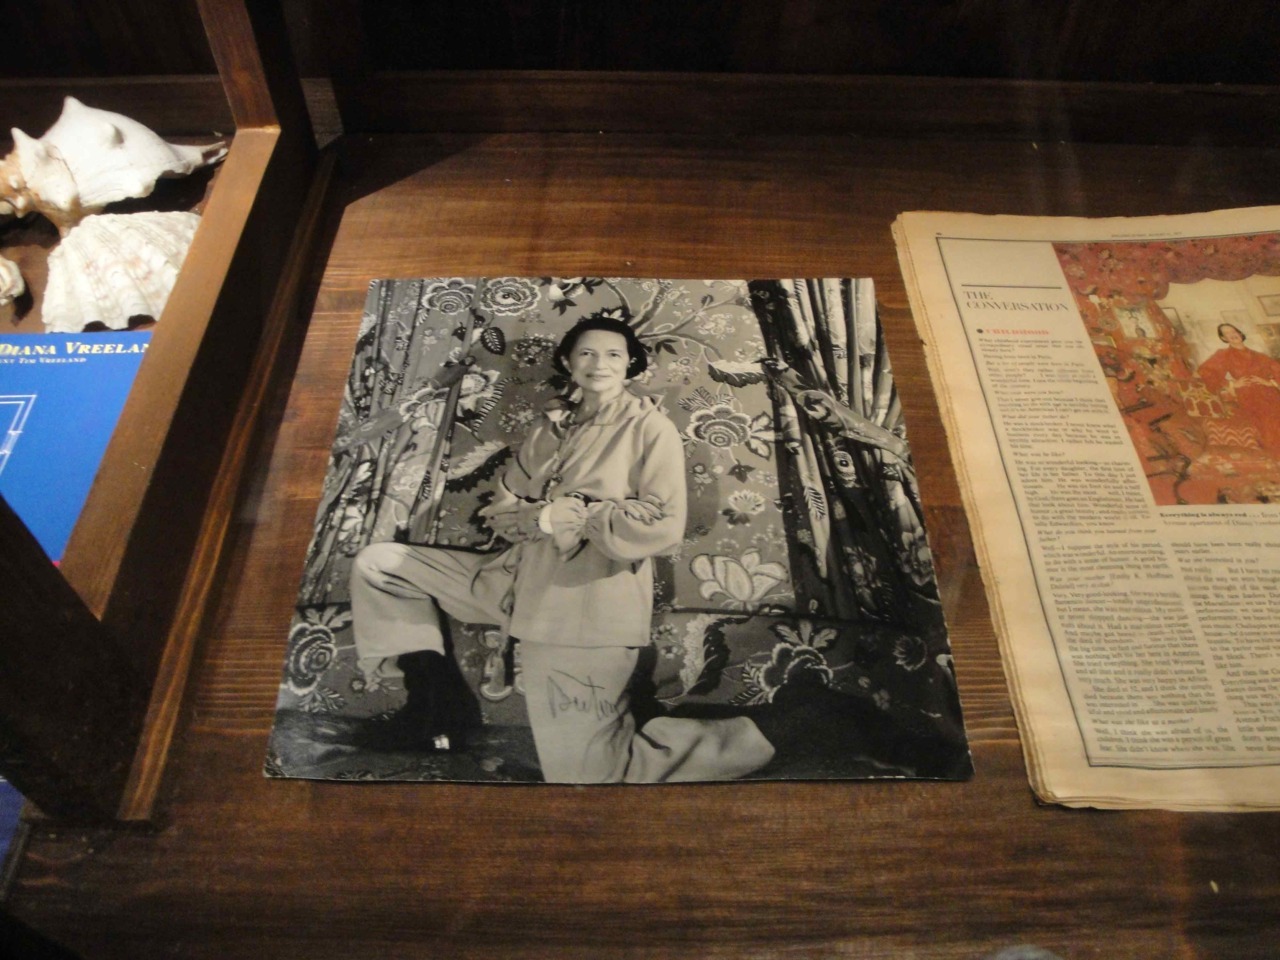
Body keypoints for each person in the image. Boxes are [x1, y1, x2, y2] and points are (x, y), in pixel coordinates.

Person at [345, 313, 790, 782]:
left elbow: (663, 524)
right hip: (514, 582)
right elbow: (506, 503)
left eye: (614, 355)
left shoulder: (649, 428)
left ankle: (762, 735)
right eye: (586, 353)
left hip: (582, 610)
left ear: (630, 366)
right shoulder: (553, 421)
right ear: (568, 361)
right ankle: (433, 708)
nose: (599, 364)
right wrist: (531, 508)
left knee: (589, 776)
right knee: (382, 565)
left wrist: (564, 514)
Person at [1196, 322, 1280, 456]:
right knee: (1268, 424)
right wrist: (1231, 384)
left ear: (1240, 333)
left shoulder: (1258, 355)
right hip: (1249, 395)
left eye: (1234, 331)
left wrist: (1270, 382)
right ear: (1224, 339)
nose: (1232, 334)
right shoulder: (1224, 354)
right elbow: (1205, 372)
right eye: (1227, 333)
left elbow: (1277, 369)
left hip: (1271, 394)